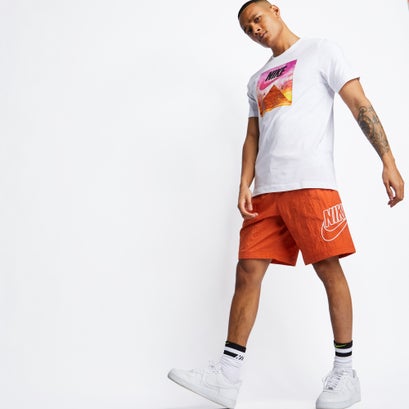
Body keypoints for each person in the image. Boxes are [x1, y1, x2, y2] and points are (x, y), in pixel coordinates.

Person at [168, 1, 405, 408]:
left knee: (328, 269)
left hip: (311, 183)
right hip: (267, 192)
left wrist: (388, 160)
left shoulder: (321, 51)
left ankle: (345, 373)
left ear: (275, 11)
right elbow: (253, 136)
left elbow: (359, 104)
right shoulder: (256, 80)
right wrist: (244, 183)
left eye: (257, 19)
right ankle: (227, 376)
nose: (254, 29)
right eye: (247, 28)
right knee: (247, 271)